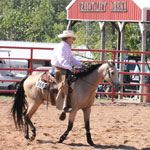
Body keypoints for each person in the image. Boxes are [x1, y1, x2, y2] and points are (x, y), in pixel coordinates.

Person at [51, 30, 83, 112]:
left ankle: (72, 101)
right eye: (72, 38)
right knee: (64, 85)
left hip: (64, 68)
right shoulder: (61, 47)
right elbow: (62, 60)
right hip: (59, 69)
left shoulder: (67, 47)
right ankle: (65, 106)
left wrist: (81, 65)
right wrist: (70, 68)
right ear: (68, 38)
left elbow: (71, 59)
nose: (73, 40)